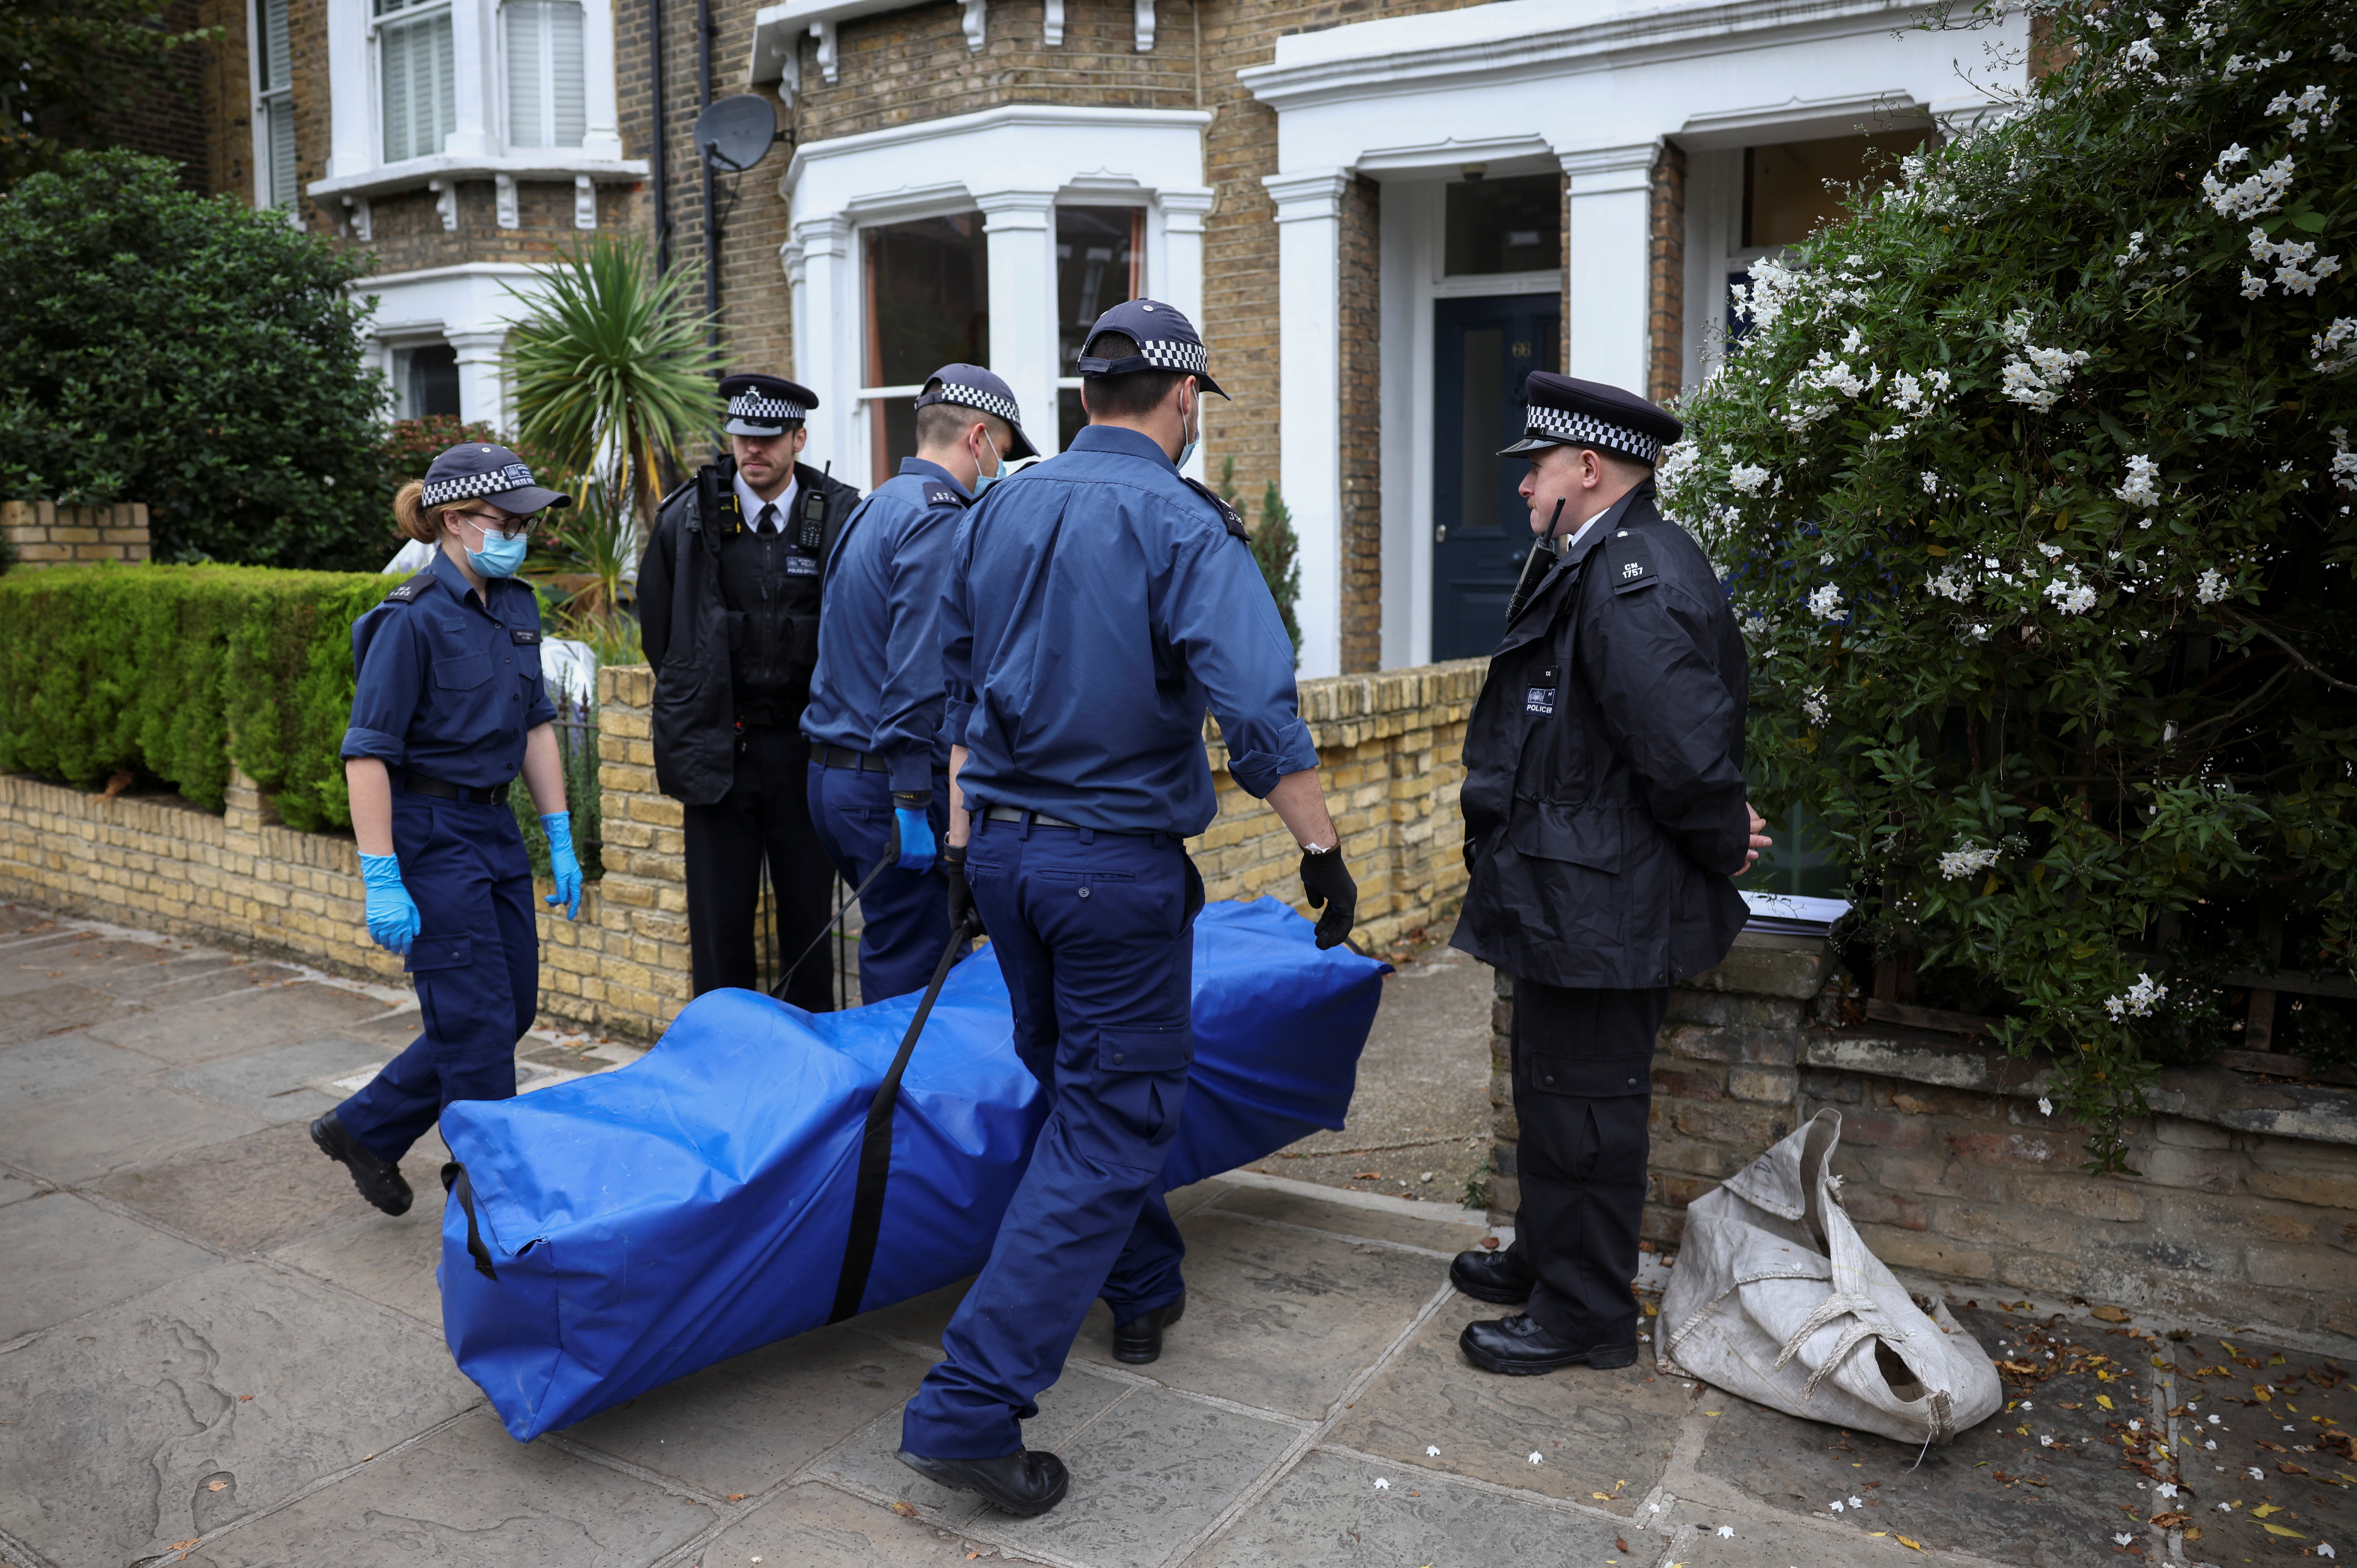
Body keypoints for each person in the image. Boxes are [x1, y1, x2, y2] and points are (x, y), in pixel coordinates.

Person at [895, 300, 1360, 1517]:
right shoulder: (1178, 519)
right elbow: (1257, 710)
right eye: (1198, 398)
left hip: (1002, 856)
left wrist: (961, 841)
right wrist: (1320, 850)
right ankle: (971, 1401)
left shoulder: (995, 504)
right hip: (1109, 871)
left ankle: (1143, 1281)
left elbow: (954, 689)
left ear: (1085, 395)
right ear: (1181, 398)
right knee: (1113, 1119)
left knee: (1076, 1088)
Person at [1446, 372, 1771, 1375]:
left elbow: (1676, 745)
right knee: (1552, 1093)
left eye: (1534, 469)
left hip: (1603, 903)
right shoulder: (1594, 558)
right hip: (1568, 892)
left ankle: (1584, 1314)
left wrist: (1721, 837)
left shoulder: (1633, 573)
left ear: (1585, 469)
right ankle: (1548, 1257)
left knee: (1586, 1110)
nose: (1521, 488)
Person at [311, 443, 584, 1215]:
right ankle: (491, 1194)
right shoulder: (408, 621)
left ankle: (365, 1128)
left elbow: (536, 723)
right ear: (456, 522)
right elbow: (367, 755)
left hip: (493, 828)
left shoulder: (517, 605)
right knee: (475, 1022)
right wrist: (381, 873)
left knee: (513, 1007)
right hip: (429, 834)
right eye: (507, 521)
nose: (521, 535)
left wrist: (559, 833)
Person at [801, 366, 1035, 1001]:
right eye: (1005, 455)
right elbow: (919, 672)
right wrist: (910, 799)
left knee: (902, 948)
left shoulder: (877, 504)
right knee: (920, 972)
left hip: (837, 777)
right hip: (891, 785)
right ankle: (902, 1102)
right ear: (979, 438)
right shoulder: (939, 521)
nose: (1003, 471)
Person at [638, 374, 863, 1007]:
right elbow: (661, 634)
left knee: (809, 927)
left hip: (806, 752)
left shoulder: (840, 515)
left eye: (767, 439)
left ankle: (808, 1064)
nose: (752, 451)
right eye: (742, 437)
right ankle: (726, 1062)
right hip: (719, 751)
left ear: (799, 438)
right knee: (721, 929)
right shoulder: (687, 518)